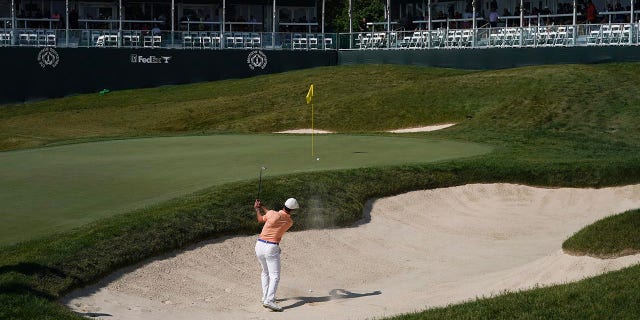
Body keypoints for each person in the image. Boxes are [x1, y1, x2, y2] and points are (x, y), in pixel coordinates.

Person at [254, 197, 299, 312]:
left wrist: (257, 209)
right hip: (271, 247)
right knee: (275, 275)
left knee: (265, 272)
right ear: (292, 210)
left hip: (259, 245)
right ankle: (269, 300)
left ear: (284, 205)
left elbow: (261, 219)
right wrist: (263, 207)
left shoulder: (272, 213)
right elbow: (274, 216)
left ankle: (265, 297)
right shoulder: (289, 222)